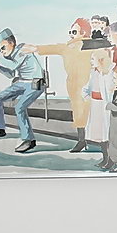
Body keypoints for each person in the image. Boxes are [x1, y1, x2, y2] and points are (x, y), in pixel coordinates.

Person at [34, 18, 94, 152]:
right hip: (73, 85)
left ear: (83, 32)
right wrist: (35, 48)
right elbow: (52, 48)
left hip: (88, 84)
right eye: (70, 32)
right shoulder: (68, 47)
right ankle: (82, 140)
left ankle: (93, 141)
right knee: (78, 113)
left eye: (74, 32)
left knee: (89, 112)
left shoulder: (90, 46)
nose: (71, 35)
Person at [0, 28, 46, 153]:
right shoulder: (12, 57)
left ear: (11, 43)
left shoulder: (22, 49)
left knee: (19, 108)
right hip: (23, 82)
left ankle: (29, 140)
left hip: (36, 83)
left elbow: (12, 66)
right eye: (0, 50)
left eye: (3, 48)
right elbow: (11, 74)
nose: (2, 51)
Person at [84, 48, 115, 168]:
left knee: (107, 133)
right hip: (95, 106)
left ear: (100, 59)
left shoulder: (109, 72)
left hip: (105, 106)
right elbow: (87, 87)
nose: (91, 61)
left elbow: (110, 90)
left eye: (93, 59)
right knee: (100, 134)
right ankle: (105, 158)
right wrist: (86, 96)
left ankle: (111, 159)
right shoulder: (94, 73)